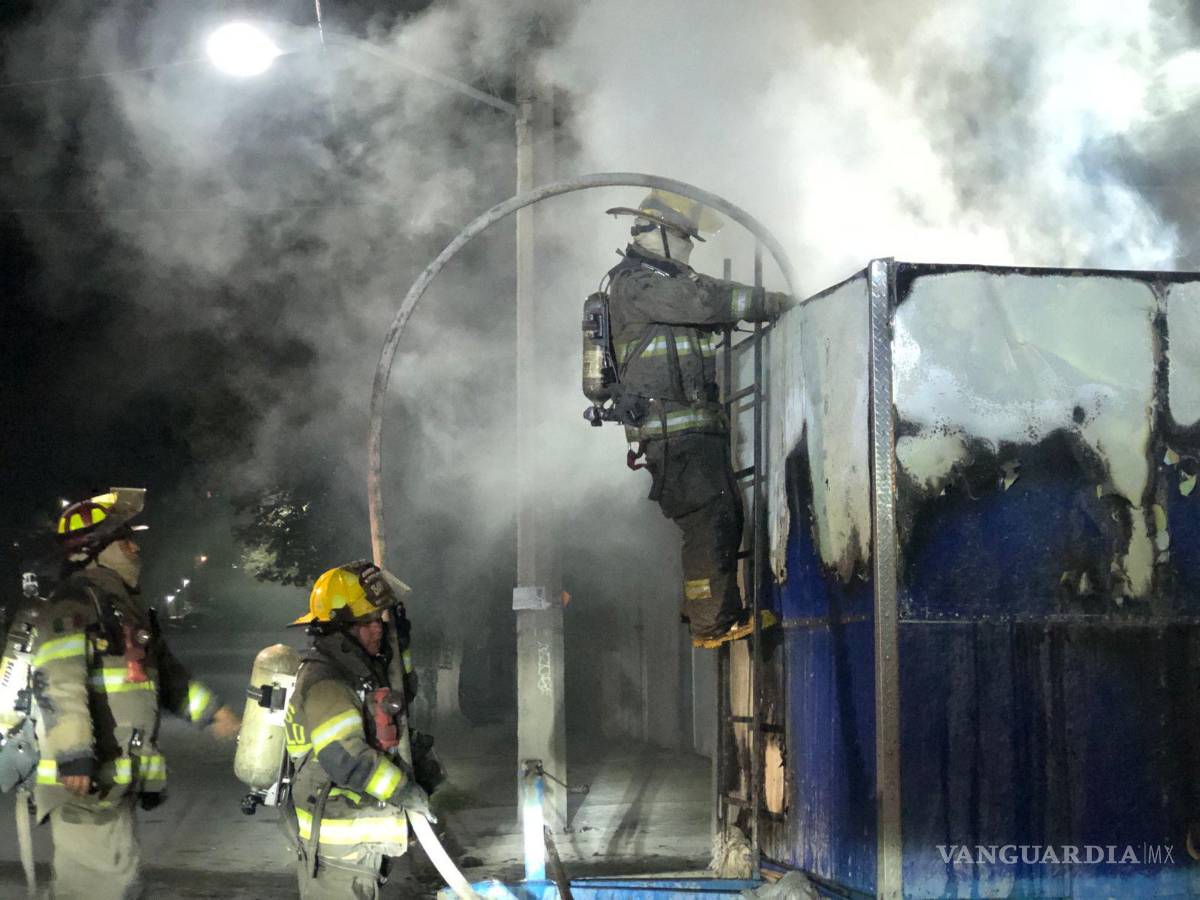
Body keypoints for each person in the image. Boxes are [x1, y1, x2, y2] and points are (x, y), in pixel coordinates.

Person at [30, 487, 240, 900]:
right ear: (95, 549)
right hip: (85, 781)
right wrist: (74, 755)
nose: (135, 547)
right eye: (124, 538)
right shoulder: (75, 603)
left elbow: (168, 678)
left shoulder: (123, 607)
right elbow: (59, 682)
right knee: (100, 888)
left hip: (112, 779)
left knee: (108, 882)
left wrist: (213, 713)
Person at [602, 190, 792, 646]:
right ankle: (712, 621)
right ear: (662, 234)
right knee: (712, 514)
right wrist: (774, 303)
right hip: (676, 432)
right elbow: (705, 302)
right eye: (685, 237)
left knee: (718, 513)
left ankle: (702, 607)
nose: (689, 248)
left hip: (689, 429)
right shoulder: (637, 284)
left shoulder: (655, 283)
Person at [285, 561, 435, 900]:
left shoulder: (362, 669)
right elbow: (344, 757)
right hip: (338, 844)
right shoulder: (326, 681)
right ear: (338, 628)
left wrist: (402, 645)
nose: (377, 628)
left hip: (357, 837)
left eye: (378, 619)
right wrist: (404, 790)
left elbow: (403, 692)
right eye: (365, 621)